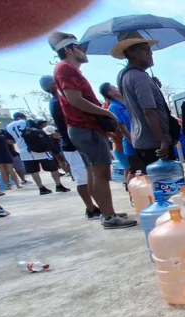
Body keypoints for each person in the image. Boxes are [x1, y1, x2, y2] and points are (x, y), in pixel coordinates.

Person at [49, 31, 135, 229]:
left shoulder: (68, 69)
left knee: (94, 172)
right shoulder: (65, 69)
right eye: (80, 47)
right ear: (69, 49)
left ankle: (107, 212)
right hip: (84, 128)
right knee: (102, 173)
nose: (84, 52)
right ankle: (109, 216)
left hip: (85, 129)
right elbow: (75, 100)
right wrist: (107, 114)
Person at [40, 75, 102, 219]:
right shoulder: (57, 103)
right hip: (73, 146)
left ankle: (99, 207)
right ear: (52, 86)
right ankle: (91, 209)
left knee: (89, 177)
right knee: (83, 180)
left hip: (76, 145)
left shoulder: (59, 101)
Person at [113, 32, 177, 170]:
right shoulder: (139, 76)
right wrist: (162, 140)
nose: (150, 54)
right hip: (154, 142)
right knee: (167, 185)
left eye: (150, 50)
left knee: (153, 185)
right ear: (131, 53)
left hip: (142, 140)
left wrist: (154, 87)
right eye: (145, 50)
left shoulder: (124, 75)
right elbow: (148, 112)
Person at [5, 112, 70, 195]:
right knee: (53, 168)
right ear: (23, 117)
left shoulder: (9, 126)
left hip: (24, 152)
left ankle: (41, 188)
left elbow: (10, 141)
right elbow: (40, 132)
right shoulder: (28, 122)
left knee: (34, 171)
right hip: (39, 149)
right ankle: (58, 185)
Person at [100, 82, 137, 185]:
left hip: (135, 139)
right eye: (115, 88)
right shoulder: (114, 107)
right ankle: (132, 195)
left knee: (137, 170)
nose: (118, 89)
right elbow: (123, 129)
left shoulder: (125, 103)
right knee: (132, 170)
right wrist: (134, 144)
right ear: (111, 93)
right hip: (129, 144)